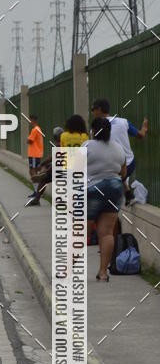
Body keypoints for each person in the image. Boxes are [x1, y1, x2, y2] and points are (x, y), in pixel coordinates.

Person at [83, 116, 126, 282]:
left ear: (93, 130)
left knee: (81, 232)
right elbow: (123, 173)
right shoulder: (118, 148)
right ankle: (102, 273)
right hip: (115, 189)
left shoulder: (88, 145)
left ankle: (67, 272)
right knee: (107, 233)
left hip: (93, 189)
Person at [92, 98, 148, 203]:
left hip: (113, 169)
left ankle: (125, 194)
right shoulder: (123, 122)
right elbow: (141, 135)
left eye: (93, 109)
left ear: (99, 109)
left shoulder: (95, 129)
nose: (92, 113)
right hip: (130, 163)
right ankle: (128, 193)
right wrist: (144, 127)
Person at [24, 126, 63, 206]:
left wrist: (43, 164)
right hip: (66, 168)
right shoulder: (64, 143)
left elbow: (52, 157)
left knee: (43, 180)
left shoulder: (59, 145)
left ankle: (36, 199)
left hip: (60, 169)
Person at [26, 115, 44, 205]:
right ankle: (37, 191)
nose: (30, 121)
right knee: (35, 172)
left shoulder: (34, 130)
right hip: (38, 154)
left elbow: (30, 141)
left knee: (32, 172)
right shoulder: (38, 129)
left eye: (30, 120)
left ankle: (37, 191)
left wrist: (27, 139)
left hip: (34, 154)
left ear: (33, 120)